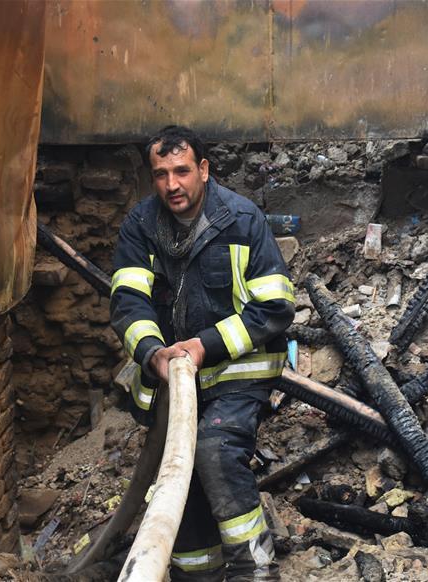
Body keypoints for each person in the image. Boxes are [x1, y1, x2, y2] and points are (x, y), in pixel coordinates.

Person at [109, 125, 295, 581]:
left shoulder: (242, 221)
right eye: (160, 174)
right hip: (173, 385)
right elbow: (128, 302)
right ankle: (196, 573)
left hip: (237, 375)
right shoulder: (140, 227)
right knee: (179, 475)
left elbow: (275, 307)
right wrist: (153, 353)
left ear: (204, 170)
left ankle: (254, 570)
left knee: (214, 450)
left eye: (182, 171)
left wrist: (202, 346)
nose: (171, 185)